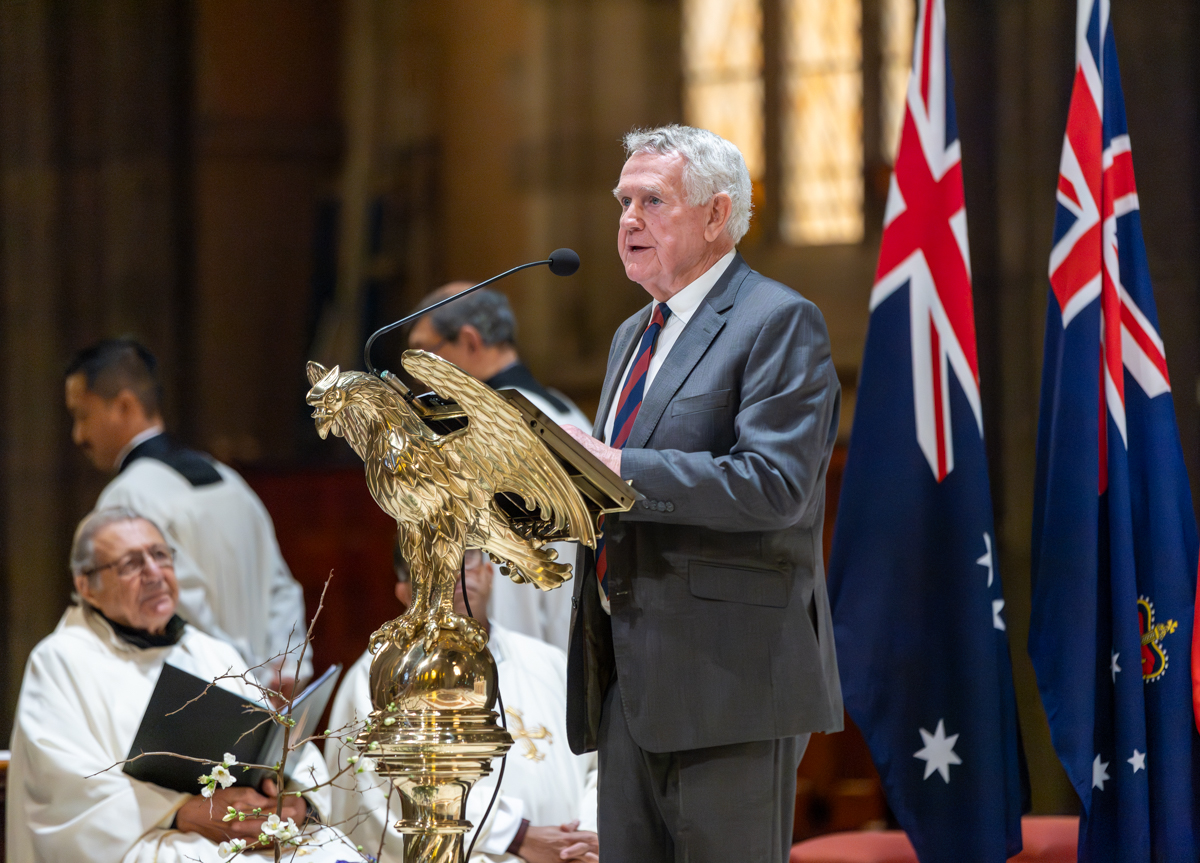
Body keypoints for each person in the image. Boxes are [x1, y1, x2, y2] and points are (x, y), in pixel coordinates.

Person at [560, 125, 843, 862]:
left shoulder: (777, 321)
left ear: (716, 216)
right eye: (623, 202)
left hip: (730, 680)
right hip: (626, 670)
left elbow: (774, 485)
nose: (627, 220)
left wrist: (617, 466)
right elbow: (609, 482)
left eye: (652, 201)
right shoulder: (634, 334)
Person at [5, 508, 351, 863]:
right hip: (149, 839)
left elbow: (279, 742)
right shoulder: (61, 660)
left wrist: (298, 804)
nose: (153, 573)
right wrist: (181, 811)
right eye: (130, 564)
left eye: (160, 555)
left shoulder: (209, 650)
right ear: (86, 587)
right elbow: (62, 791)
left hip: (246, 827)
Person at [325, 544, 599, 863]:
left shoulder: (548, 661)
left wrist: (585, 841)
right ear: (403, 590)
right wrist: (515, 836)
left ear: (488, 572)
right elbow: (379, 786)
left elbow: (599, 764)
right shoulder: (381, 673)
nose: (450, 572)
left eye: (464, 558)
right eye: (429, 562)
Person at [64, 338, 311, 689]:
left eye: (82, 416)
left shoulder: (128, 496)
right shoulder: (228, 478)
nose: (78, 435)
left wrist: (239, 681)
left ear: (123, 406)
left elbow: (173, 604)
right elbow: (281, 589)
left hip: (197, 698)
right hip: (260, 696)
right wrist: (285, 671)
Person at [407, 284, 589, 650]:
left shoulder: (490, 431)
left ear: (471, 342)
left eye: (425, 352)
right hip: (571, 648)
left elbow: (502, 569)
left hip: (517, 659)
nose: (417, 374)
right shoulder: (567, 413)